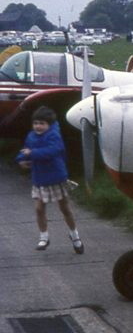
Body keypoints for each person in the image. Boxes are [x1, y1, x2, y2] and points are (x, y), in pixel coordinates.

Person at [15, 107, 83, 253]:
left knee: (65, 208)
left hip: (56, 177)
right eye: (35, 123)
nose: (38, 126)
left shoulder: (54, 136)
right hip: (40, 179)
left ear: (49, 125)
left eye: (42, 123)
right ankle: (44, 237)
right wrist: (21, 159)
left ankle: (75, 236)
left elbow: (52, 151)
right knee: (39, 209)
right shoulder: (31, 136)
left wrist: (32, 153)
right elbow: (26, 150)